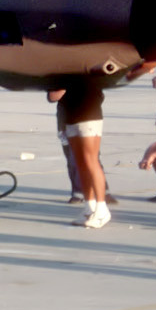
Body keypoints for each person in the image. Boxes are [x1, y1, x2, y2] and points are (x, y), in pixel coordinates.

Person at [51, 78, 109, 228]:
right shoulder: (62, 70)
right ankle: (89, 207)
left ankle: (102, 209)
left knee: (91, 161)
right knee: (80, 163)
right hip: (70, 117)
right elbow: (52, 96)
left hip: (89, 115)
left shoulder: (88, 67)